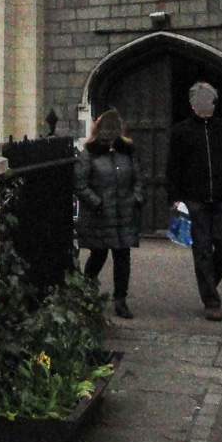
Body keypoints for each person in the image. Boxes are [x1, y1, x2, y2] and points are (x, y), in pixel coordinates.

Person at [166, 80, 222, 321]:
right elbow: (173, 167)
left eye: (208, 97)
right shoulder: (181, 131)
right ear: (191, 103)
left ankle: (209, 283)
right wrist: (175, 197)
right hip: (195, 198)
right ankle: (211, 300)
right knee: (202, 250)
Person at [75, 109, 145, 319]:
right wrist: (96, 203)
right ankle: (86, 293)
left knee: (123, 256)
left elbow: (138, 179)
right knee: (99, 254)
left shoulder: (127, 152)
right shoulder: (90, 153)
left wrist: (135, 198)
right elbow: (80, 183)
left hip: (124, 213)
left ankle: (120, 300)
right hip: (100, 216)